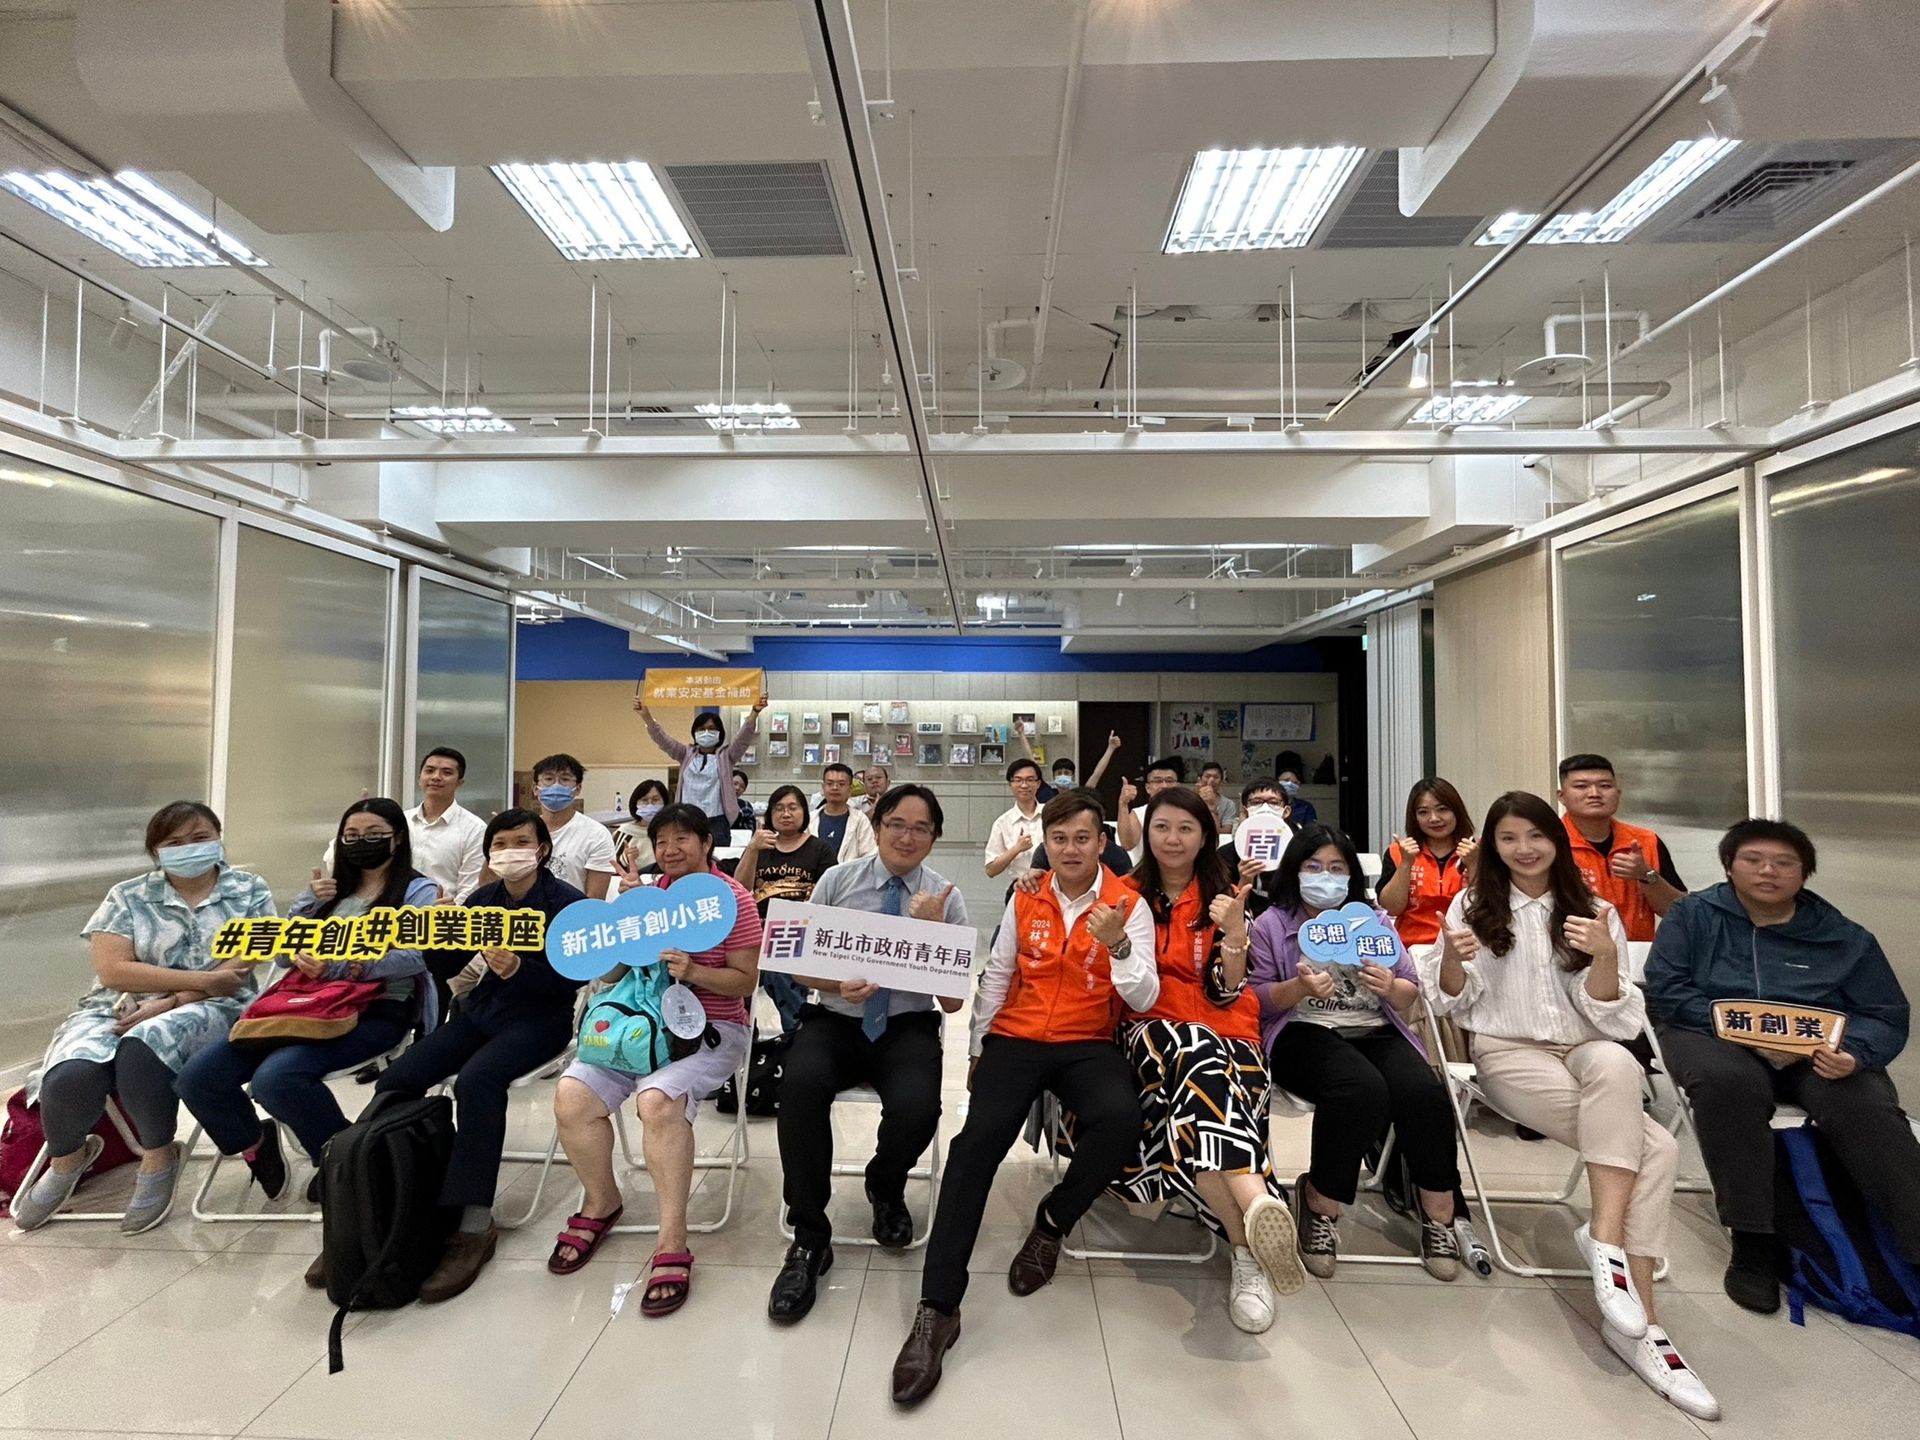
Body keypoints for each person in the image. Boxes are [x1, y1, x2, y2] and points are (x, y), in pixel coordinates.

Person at [1426, 791, 1715, 1421]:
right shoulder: (1472, 906)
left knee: (1616, 1061)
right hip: (1509, 1052)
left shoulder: (1594, 909)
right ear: (1493, 846)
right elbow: (1450, 1001)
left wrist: (1607, 955)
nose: (1524, 849)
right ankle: (1644, 1324)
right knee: (1659, 1148)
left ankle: (1607, 1246)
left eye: (1536, 836)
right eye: (1509, 838)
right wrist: (1450, 956)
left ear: (1556, 842)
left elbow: (1611, 1016)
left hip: (1586, 1047)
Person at [892, 789, 1157, 1407]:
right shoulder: (1027, 895)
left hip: (1087, 1041)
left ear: (1101, 843)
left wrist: (1119, 944)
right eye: (1059, 839)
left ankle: (1053, 1221)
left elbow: (1143, 997)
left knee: (1120, 1118)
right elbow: (998, 973)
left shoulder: (1128, 903)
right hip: (1017, 1036)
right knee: (974, 1147)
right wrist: (978, 1047)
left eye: (1083, 838)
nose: (1071, 850)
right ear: (1047, 844)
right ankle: (938, 1308)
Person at [1646, 818, 1920, 1314]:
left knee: (1865, 1103)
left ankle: (1914, 1238)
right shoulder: (1693, 915)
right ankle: (1754, 1239)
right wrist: (1748, 1035)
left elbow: (1884, 1014)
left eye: (1784, 863)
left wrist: (1854, 1053)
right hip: (1709, 1033)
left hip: (1815, 1049)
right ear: (1730, 866)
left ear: (1804, 872)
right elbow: (1667, 990)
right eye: (1753, 860)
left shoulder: (1844, 937)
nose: (1768, 871)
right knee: (1728, 1084)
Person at [176, 798, 437, 1273]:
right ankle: (257, 1143)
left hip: (375, 1009)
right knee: (199, 1077)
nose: (360, 843)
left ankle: (348, 1166)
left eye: (373, 834)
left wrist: (343, 962)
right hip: (300, 1006)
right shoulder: (327, 891)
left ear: (397, 838)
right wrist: (303, 929)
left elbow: (418, 955)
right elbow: (280, 954)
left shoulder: (418, 891)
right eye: (351, 835)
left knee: (277, 1079)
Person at [1096, 786, 1304, 1331]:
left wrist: (1235, 934)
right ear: (1146, 833)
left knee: (1204, 1085)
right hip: (1151, 1031)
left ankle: (1246, 1243)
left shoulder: (1228, 897)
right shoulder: (1125, 895)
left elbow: (1225, 992)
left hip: (1228, 1032)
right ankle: (1255, 1212)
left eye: (1185, 828)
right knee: (1197, 1057)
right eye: (1162, 827)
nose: (1172, 838)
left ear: (1206, 835)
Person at [13, 802, 272, 1234]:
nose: (189, 848)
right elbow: (113, 971)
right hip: (118, 1003)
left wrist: (172, 1000)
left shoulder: (248, 890)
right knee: (71, 1072)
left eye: (200, 838)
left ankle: (157, 1156)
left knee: (144, 1047)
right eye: (175, 842)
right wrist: (197, 979)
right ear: (156, 851)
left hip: (212, 1005)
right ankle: (67, 1160)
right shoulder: (128, 896)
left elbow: (238, 969)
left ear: (218, 837)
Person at [549, 803, 763, 1316]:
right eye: (661, 841)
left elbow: (746, 981)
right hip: (639, 1026)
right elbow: (613, 975)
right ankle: (601, 1201)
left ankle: (672, 1239)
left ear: (707, 843)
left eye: (682, 839)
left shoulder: (731, 899)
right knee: (571, 1096)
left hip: (711, 1029)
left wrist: (694, 971)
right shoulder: (647, 896)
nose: (669, 850)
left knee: (657, 1101)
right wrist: (617, 932)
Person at [768, 785, 969, 1322]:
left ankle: (885, 1184)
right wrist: (836, 984)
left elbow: (953, 1003)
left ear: (934, 838)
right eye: (897, 824)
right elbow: (795, 963)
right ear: (877, 827)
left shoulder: (945, 896)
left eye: (921, 828)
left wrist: (934, 933)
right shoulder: (838, 880)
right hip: (835, 1021)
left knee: (919, 1106)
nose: (907, 836)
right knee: (800, 1088)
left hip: (906, 1026)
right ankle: (810, 1237)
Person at [370, 809, 587, 1302]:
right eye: (499, 844)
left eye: (520, 842)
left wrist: (521, 970)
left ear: (542, 850)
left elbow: (574, 979)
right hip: (483, 1010)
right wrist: (434, 931)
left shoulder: (566, 905)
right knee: (400, 1077)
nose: (509, 852)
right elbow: (447, 966)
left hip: (541, 1019)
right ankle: (384, 1194)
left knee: (477, 1081)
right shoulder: (483, 900)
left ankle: (473, 1222)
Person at [1250, 823, 1463, 1281]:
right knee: (1359, 1088)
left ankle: (1440, 1214)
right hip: (1302, 1031)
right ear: (1295, 871)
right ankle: (1320, 1203)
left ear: (1350, 875)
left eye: (1336, 867)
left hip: (1375, 1029)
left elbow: (1409, 991)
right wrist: (1299, 988)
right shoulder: (1273, 924)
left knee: (1423, 1091)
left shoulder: (1375, 923)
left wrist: (1390, 986)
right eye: (1313, 867)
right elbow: (1258, 999)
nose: (1324, 877)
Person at [734, 785, 840, 1033]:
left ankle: (797, 1028)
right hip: (757, 929)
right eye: (779, 808)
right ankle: (745, 1029)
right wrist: (752, 849)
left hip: (802, 930)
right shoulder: (760, 848)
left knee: (775, 962)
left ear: (804, 812)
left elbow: (831, 898)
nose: (786, 814)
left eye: (793, 807)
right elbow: (740, 889)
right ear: (770, 815)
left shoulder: (820, 849)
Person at [1556, 753, 1685, 942]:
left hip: (1638, 952)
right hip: (1573, 952)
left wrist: (1646, 875)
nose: (1594, 793)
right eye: (1581, 786)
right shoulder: (1551, 843)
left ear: (1618, 793)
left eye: (1605, 786)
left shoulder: (1646, 841)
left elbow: (1679, 911)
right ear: (1561, 796)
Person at [634, 691, 769, 848]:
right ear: (694, 733)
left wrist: (754, 712)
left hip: (717, 822)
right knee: (687, 857)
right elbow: (662, 739)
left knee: (717, 860)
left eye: (712, 729)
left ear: (720, 733)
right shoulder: (685, 754)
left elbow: (743, 738)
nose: (706, 732)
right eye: (701, 729)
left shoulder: (727, 756)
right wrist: (646, 717)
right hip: (686, 819)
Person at [1377, 777, 1479, 948]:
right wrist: (1406, 864)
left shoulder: (1477, 851)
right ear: (1414, 817)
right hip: (1410, 949)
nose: (1434, 818)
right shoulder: (1398, 852)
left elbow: (1485, 908)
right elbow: (1392, 908)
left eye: (1443, 809)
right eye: (1423, 812)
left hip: (1466, 947)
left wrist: (1474, 864)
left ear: (1457, 811)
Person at [529, 753, 617, 899]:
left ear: (577, 788)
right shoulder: (524, 831)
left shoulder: (596, 834)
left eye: (565, 779)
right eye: (549, 779)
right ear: (535, 788)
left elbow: (594, 900)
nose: (556, 785)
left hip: (574, 912)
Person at [983, 758, 1045, 884]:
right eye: (1018, 780)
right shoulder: (1002, 823)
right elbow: (991, 870)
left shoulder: (1052, 814)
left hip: (1052, 885)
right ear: (1010, 784)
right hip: (1021, 886)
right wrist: (1016, 849)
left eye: (1030, 780)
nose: (1024, 785)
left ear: (1038, 783)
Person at [1018, 728, 1121, 803]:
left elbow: (1097, 774)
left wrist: (1110, 749)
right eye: (1059, 773)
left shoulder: (1079, 795)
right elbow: (1031, 762)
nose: (1063, 775)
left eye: (1066, 773)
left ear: (1072, 776)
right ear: (1053, 776)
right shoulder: (1046, 792)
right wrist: (1021, 734)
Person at [1116, 755, 1186, 863]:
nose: (1164, 786)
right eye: (1158, 781)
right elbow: (1127, 844)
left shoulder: (1188, 812)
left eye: (1169, 781)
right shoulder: (1139, 814)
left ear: (1177, 785)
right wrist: (1123, 804)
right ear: (1148, 788)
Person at [811, 762, 877, 863]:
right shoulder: (810, 819)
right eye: (830, 783)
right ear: (823, 788)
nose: (835, 787)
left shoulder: (860, 820)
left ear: (850, 790)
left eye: (841, 784)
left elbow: (869, 856)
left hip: (851, 872)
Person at [613, 778, 670, 874]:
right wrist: (624, 858)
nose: (650, 805)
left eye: (655, 800)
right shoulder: (624, 832)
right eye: (644, 800)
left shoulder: (672, 831)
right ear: (636, 803)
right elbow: (609, 868)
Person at [1195, 761, 1239, 830]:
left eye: (1216, 777)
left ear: (1221, 782)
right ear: (1199, 779)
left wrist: (1212, 808)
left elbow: (1227, 830)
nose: (1211, 780)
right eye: (1207, 776)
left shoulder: (1228, 804)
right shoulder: (1189, 800)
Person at [1274, 762, 1318, 827]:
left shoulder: (1306, 807)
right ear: (1277, 783)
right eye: (1286, 780)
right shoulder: (1270, 805)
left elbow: (1311, 829)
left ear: (1299, 785)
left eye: (1294, 782)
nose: (1290, 784)